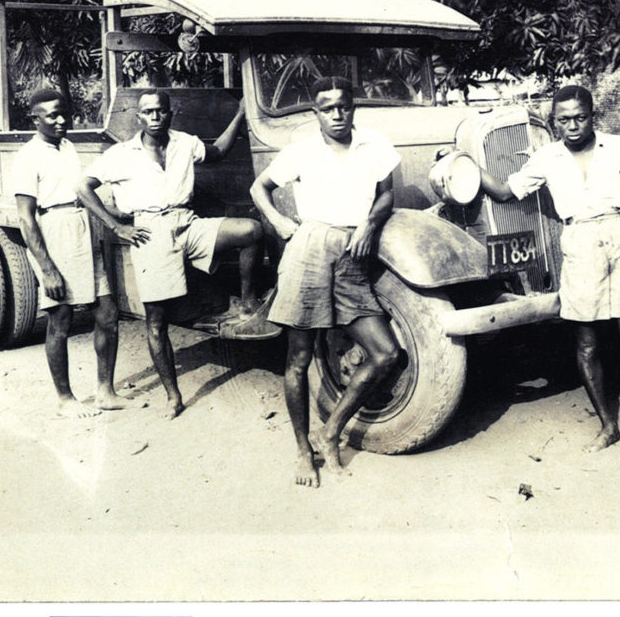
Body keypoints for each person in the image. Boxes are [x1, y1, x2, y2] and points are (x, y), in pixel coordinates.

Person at [478, 85, 620, 474]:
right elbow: (503, 192)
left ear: (592, 115)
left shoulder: (619, 147)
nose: (572, 125)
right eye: (563, 119)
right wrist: (464, 163)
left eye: (580, 117)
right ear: (554, 121)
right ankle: (608, 426)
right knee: (585, 346)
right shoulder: (547, 157)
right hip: (579, 243)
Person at [77, 89, 266, 420]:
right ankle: (173, 396)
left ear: (170, 114)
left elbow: (219, 151)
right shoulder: (121, 155)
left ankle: (250, 304)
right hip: (150, 232)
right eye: (148, 112)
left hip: (187, 222)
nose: (155, 117)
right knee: (157, 320)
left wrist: (241, 114)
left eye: (160, 111)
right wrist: (116, 226)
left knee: (250, 231)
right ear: (139, 117)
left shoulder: (184, 142)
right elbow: (82, 188)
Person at [250, 76, 401, 488]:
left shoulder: (374, 145)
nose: (337, 114)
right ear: (315, 112)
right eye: (327, 108)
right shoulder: (302, 150)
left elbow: (386, 193)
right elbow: (259, 187)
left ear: (353, 107)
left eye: (343, 106)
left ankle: (331, 431)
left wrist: (370, 223)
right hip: (310, 248)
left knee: (386, 353)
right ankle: (303, 452)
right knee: (298, 359)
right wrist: (280, 222)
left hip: (352, 252)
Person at [12, 89, 143, 418]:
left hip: (84, 229)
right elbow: (26, 218)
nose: (60, 120)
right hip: (55, 232)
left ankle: (105, 391)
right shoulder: (28, 156)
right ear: (35, 119)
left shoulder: (68, 146)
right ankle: (65, 399)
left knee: (108, 314)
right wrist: (48, 269)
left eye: (63, 113)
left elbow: (83, 192)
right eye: (51, 115)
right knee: (61, 320)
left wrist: (114, 222)